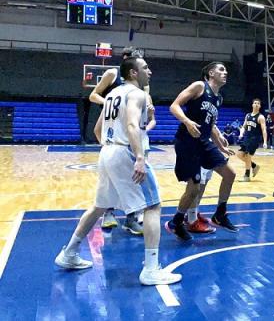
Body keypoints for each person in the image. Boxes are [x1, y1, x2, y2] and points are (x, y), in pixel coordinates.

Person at [55, 57, 181, 285]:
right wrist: (139, 157)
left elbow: (97, 129)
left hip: (107, 152)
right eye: (145, 68)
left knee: (99, 207)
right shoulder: (137, 94)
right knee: (153, 205)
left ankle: (69, 253)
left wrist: (112, 148)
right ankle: (151, 269)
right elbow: (132, 125)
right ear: (133, 72)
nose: (149, 71)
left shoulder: (112, 95)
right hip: (125, 152)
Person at [165, 61, 237, 241]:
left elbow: (210, 124)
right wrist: (187, 122)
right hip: (187, 141)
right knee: (194, 189)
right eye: (221, 69)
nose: (225, 72)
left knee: (230, 174)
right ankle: (176, 221)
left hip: (203, 142)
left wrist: (220, 143)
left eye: (226, 70)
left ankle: (220, 213)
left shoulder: (219, 98)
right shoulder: (199, 86)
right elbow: (174, 106)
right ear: (211, 73)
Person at [88, 46, 145, 233]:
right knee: (116, 173)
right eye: (137, 58)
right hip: (113, 114)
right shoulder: (112, 73)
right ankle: (110, 213)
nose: (140, 61)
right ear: (127, 59)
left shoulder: (139, 84)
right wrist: (111, 102)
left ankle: (130, 216)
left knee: (130, 177)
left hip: (125, 118)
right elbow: (93, 95)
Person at [238, 98, 268, 182]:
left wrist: (265, 142)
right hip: (247, 138)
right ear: (252, 105)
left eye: (258, 103)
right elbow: (244, 126)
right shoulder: (248, 115)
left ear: (260, 106)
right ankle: (254, 166)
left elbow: (264, 130)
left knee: (247, 156)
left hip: (255, 139)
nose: (256, 104)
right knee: (239, 154)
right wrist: (241, 134)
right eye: (255, 103)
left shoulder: (261, 117)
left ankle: (247, 176)